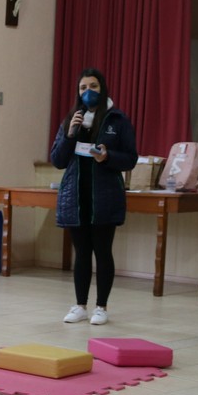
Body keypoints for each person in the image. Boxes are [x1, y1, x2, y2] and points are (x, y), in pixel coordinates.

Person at [49, 68, 138, 326]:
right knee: (82, 253)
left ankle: (101, 307)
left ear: (102, 88)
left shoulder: (117, 120)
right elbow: (58, 160)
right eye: (83, 88)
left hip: (104, 196)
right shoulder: (71, 120)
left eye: (93, 86)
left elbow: (130, 158)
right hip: (76, 197)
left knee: (102, 251)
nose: (88, 92)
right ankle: (80, 306)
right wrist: (70, 134)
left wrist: (108, 156)